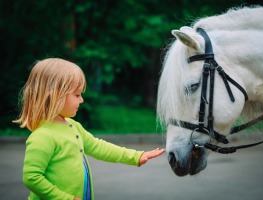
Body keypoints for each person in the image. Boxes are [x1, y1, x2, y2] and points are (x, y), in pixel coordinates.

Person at [13, 58, 165, 200]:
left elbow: (99, 147)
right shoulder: (43, 136)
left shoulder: (73, 127)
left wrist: (136, 156)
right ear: (55, 96)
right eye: (77, 95)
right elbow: (32, 177)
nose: (82, 100)